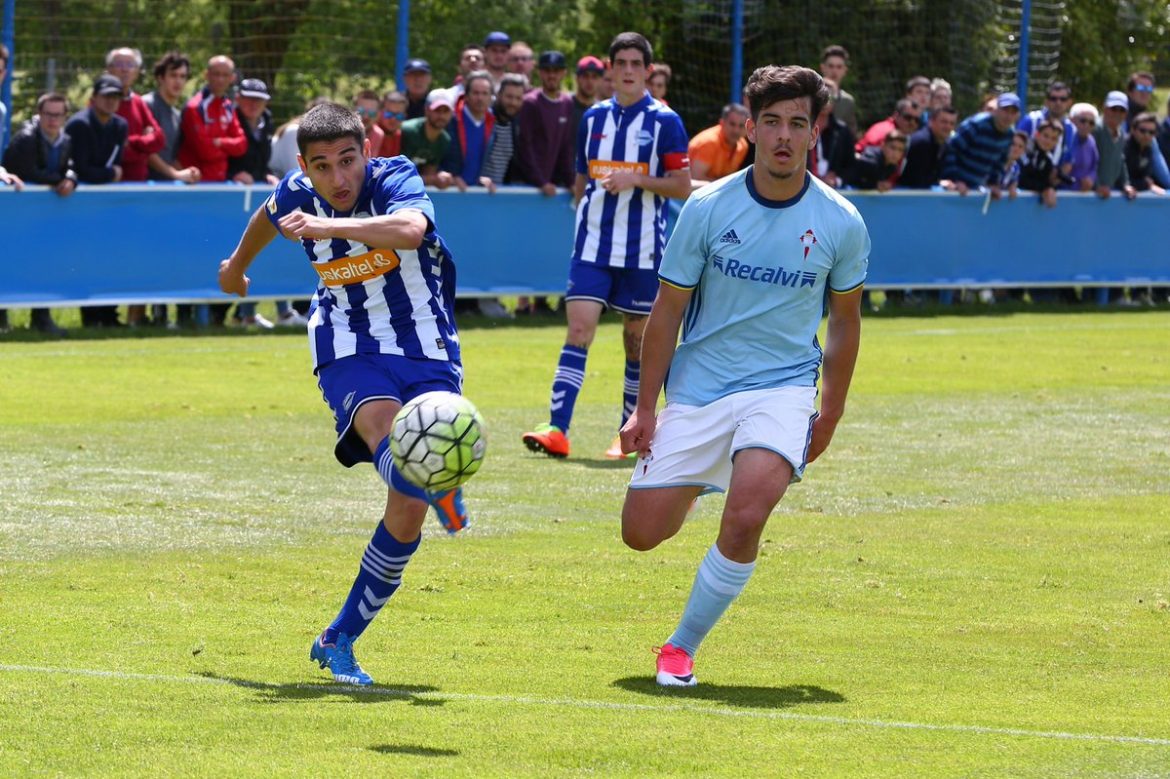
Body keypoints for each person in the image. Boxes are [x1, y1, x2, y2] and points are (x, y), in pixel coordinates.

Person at [618, 64, 868, 687]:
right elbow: (668, 309)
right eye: (773, 123)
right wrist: (644, 408)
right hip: (700, 388)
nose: (785, 136)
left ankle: (680, 648)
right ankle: (714, 469)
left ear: (815, 134)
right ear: (751, 129)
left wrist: (829, 411)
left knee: (747, 514)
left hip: (783, 388)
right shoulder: (706, 206)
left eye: (799, 124)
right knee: (641, 535)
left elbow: (844, 324)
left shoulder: (841, 221)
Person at [217, 102, 470, 686]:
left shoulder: (397, 178)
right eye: (323, 166)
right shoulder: (295, 192)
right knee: (385, 430)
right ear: (305, 166)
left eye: (348, 161)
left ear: (367, 154)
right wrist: (235, 266)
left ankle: (338, 637)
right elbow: (267, 212)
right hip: (348, 341)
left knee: (405, 509)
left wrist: (329, 226)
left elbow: (411, 230)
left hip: (427, 344)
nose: (338, 177)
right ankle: (434, 482)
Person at [520, 32, 691, 460]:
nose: (629, 71)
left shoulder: (665, 122)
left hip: (643, 252)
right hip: (592, 246)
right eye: (622, 64)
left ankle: (626, 432)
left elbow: (683, 186)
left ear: (648, 71)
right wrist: (585, 208)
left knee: (636, 343)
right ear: (610, 70)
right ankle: (556, 429)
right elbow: (580, 175)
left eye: (637, 64)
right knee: (578, 330)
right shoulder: (593, 118)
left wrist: (637, 180)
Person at [2, 92, 75, 335]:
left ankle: (41, 317)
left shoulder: (65, 140)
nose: (53, 120)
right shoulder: (25, 139)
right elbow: (28, 171)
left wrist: (71, 180)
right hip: (14, 215)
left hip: (43, 218)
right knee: (8, 263)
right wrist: (59, 181)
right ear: (39, 114)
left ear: (65, 116)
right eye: (48, 114)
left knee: (43, 264)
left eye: (58, 115)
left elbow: (71, 166)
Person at [67, 74, 130, 328]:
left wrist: (109, 174)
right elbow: (82, 169)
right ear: (93, 99)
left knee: (109, 257)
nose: (111, 101)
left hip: (106, 206)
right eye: (106, 96)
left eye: (116, 97)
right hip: (80, 206)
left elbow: (115, 163)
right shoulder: (79, 125)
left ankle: (108, 312)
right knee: (85, 258)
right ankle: (90, 315)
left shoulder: (120, 126)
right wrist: (109, 175)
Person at [178, 55, 247, 184]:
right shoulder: (195, 107)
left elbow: (242, 145)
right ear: (207, 75)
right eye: (216, 74)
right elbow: (205, 152)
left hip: (221, 182)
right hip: (195, 183)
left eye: (225, 75)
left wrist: (219, 142)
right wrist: (228, 147)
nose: (220, 79)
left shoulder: (227, 106)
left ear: (232, 78)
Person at [515, 51, 575, 196]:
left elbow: (565, 147)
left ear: (564, 73)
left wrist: (571, 182)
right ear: (540, 73)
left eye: (556, 71)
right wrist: (540, 182)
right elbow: (524, 147)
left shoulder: (567, 103)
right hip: (525, 185)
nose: (552, 75)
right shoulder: (530, 102)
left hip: (547, 186)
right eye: (547, 70)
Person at [939, 92, 1018, 196]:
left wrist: (993, 184)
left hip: (975, 189)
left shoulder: (1010, 134)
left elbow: (1000, 162)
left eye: (1013, 112)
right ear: (997, 110)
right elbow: (951, 149)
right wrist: (954, 180)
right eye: (1005, 110)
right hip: (953, 190)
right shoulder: (976, 124)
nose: (1008, 116)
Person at [106, 47, 166, 183]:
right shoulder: (100, 103)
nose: (125, 69)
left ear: (137, 72)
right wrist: (143, 145)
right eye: (120, 64)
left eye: (130, 65)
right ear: (109, 69)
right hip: (110, 184)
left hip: (139, 183)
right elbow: (111, 150)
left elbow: (159, 139)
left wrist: (131, 142)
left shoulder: (138, 102)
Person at [144, 51, 202, 184]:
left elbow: (171, 157)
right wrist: (175, 174)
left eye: (182, 76)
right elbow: (145, 152)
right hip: (144, 187)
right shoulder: (147, 105)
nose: (178, 81)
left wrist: (188, 173)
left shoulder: (177, 115)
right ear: (160, 78)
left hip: (167, 187)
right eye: (173, 75)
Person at [401, 90, 459, 189]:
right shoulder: (408, 131)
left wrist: (441, 178)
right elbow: (399, 175)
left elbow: (429, 173)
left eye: (446, 111)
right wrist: (434, 180)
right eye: (437, 110)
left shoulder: (444, 140)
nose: (441, 116)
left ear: (452, 114)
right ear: (427, 110)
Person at [688, 103, 751, 185]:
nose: (736, 130)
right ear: (722, 122)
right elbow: (695, 179)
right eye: (732, 124)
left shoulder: (742, 146)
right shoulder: (709, 142)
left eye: (741, 126)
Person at [808, 81, 855, 188]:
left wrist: (837, 180)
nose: (826, 102)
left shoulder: (842, 131)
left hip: (833, 191)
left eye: (830, 98)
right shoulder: (799, 127)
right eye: (822, 97)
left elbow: (851, 166)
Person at [899, 105, 957, 188]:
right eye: (944, 122)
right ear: (931, 121)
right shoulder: (922, 142)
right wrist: (940, 183)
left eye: (952, 123)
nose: (948, 126)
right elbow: (917, 181)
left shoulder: (945, 143)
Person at [1093, 91, 1135, 201]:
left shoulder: (1121, 134)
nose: (1117, 113)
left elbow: (1120, 161)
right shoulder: (1095, 130)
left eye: (1122, 110)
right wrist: (1097, 185)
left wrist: (1126, 184)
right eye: (1114, 108)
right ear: (1105, 108)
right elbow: (1086, 162)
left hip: (1105, 194)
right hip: (1089, 194)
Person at [1019, 119, 1063, 208]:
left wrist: (1051, 186)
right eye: (1045, 136)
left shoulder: (1048, 159)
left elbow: (1044, 179)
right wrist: (1045, 188)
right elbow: (1023, 178)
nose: (1048, 141)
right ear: (1037, 134)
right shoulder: (1024, 149)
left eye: (1053, 139)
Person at [856, 98, 921, 154]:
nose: (912, 123)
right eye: (908, 117)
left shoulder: (900, 133)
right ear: (896, 115)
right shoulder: (886, 132)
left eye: (916, 120)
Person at [1124, 112, 1168, 195]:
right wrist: (1147, 184)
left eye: (1151, 132)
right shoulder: (1123, 147)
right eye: (1142, 131)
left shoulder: (1149, 148)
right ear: (1133, 130)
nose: (1147, 135)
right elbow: (1120, 180)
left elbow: (1145, 177)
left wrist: (1147, 183)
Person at [818, 45, 857, 134]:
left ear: (845, 70)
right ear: (822, 67)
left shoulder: (847, 101)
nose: (834, 71)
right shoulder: (810, 94)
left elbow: (851, 134)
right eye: (831, 66)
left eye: (839, 67)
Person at [1063, 103, 1099, 192]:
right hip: (1061, 193)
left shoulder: (1091, 142)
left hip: (1082, 194)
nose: (1087, 125)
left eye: (1091, 123)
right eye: (1083, 121)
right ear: (1072, 120)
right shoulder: (1063, 138)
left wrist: (1090, 179)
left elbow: (1094, 166)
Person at [571, 56, 604, 132]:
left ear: (601, 80)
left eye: (594, 77)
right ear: (577, 78)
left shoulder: (602, 111)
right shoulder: (565, 107)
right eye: (585, 76)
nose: (590, 81)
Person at [353, 89, 385, 157]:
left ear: (378, 115)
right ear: (353, 110)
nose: (366, 116)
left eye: (372, 113)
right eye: (361, 111)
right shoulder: (343, 131)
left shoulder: (377, 134)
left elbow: (369, 160)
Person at [376, 90, 407, 157]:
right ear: (379, 112)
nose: (393, 119)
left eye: (399, 115)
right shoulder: (370, 133)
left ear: (404, 116)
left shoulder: (402, 136)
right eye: (388, 114)